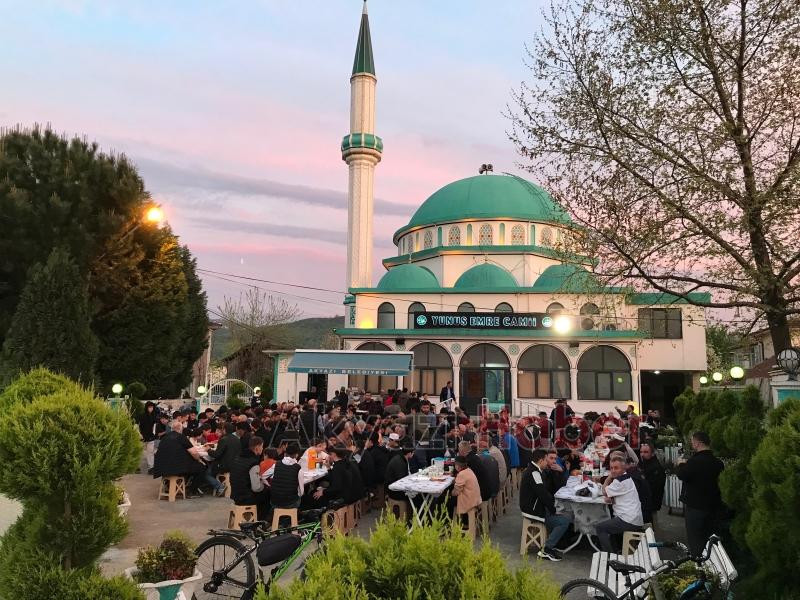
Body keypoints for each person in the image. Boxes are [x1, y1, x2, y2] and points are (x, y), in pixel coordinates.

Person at [676, 431, 725, 556]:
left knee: (695, 538)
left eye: (693, 442)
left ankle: (698, 561)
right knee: (709, 538)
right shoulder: (718, 463)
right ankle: (710, 560)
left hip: (695, 507)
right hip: (713, 506)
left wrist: (680, 464)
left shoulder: (694, 462)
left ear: (698, 443)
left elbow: (682, 475)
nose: (692, 444)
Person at [519, 448, 570, 561]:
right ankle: (547, 549)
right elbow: (543, 494)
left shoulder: (534, 470)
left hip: (535, 506)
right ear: (541, 460)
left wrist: (553, 508)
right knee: (564, 521)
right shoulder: (534, 473)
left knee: (563, 514)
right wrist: (553, 509)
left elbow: (545, 494)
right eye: (546, 460)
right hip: (532, 510)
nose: (548, 463)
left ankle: (553, 543)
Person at [596, 455, 644, 552]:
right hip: (633, 518)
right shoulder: (626, 477)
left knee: (600, 528)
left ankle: (609, 556)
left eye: (616, 468)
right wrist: (611, 498)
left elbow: (604, 491)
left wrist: (608, 478)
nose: (613, 471)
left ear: (623, 468)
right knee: (608, 524)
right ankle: (614, 551)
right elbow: (614, 497)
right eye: (611, 468)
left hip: (629, 520)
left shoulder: (620, 481)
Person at [153, 419, 208, 496]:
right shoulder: (181, 437)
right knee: (201, 468)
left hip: (161, 467)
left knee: (188, 466)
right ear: (180, 429)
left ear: (172, 429)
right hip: (175, 467)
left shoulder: (165, 438)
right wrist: (198, 459)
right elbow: (194, 452)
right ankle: (192, 491)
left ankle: (170, 487)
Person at [230, 436, 270, 520]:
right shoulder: (253, 463)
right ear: (257, 447)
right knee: (268, 495)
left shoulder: (238, 458)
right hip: (246, 497)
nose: (262, 449)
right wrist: (264, 485)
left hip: (235, 494)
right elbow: (256, 488)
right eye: (262, 446)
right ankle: (259, 521)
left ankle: (252, 519)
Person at [270, 443, 304, 512]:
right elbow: (301, 492)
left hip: (274, 502)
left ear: (285, 453)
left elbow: (264, 476)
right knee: (299, 498)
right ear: (296, 455)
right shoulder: (298, 468)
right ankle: (294, 516)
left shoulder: (276, 464)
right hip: (290, 503)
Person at [639, 441, 666, 519]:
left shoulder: (655, 467)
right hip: (648, 502)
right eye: (641, 452)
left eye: (646, 452)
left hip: (651, 502)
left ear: (652, 453)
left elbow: (653, 487)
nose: (642, 454)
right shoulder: (645, 463)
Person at [450, 455, 481, 520]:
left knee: (447, 500)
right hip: (476, 498)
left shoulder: (461, 474)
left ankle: (452, 522)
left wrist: (450, 493)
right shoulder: (469, 470)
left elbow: (456, 492)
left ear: (457, 466)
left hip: (469, 500)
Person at [138, 401, 159, 474]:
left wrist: (154, 435)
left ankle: (151, 467)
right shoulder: (142, 416)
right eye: (149, 407)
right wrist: (140, 434)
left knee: (150, 452)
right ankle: (137, 467)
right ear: (146, 407)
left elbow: (155, 427)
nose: (151, 408)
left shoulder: (154, 416)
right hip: (142, 437)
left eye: (152, 407)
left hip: (151, 437)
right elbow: (139, 426)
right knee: (140, 452)